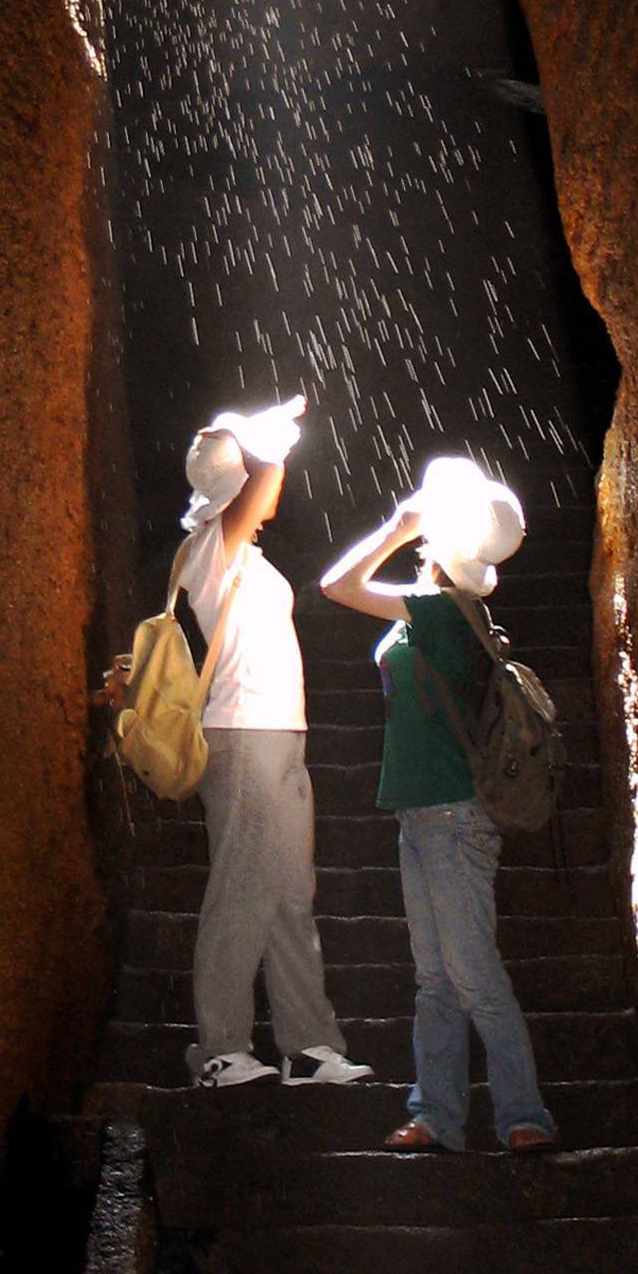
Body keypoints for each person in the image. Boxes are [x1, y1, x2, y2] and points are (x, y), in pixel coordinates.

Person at [320, 455, 556, 1153]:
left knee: (471, 975)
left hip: (452, 816)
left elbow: (338, 585)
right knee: (436, 979)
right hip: (423, 813)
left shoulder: (443, 611)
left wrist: (397, 525)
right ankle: (439, 1115)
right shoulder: (445, 608)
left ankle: (523, 1116)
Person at [177, 393, 372, 1093]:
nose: (270, 484)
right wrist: (272, 441)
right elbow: (262, 486)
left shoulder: (247, 556)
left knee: (291, 894)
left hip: (280, 736)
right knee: (241, 890)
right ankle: (222, 1047)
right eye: (250, 473)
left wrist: (268, 440)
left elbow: (264, 488)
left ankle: (308, 1045)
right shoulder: (207, 546)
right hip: (241, 736)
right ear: (228, 483)